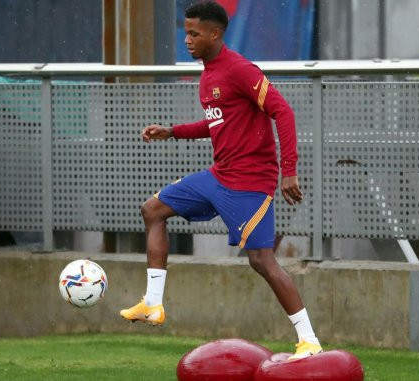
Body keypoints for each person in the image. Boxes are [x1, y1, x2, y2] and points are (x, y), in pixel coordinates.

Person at [119, 1, 322, 360]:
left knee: (261, 259)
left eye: (194, 33)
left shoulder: (240, 70)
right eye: (186, 32)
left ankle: (309, 341)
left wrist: (289, 169)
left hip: (250, 184)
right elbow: (217, 124)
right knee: (152, 209)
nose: (187, 40)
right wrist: (173, 131)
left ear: (215, 34)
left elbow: (282, 110)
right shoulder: (208, 73)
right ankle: (152, 303)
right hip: (218, 176)